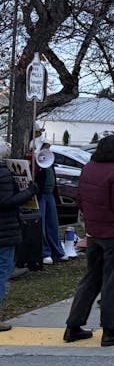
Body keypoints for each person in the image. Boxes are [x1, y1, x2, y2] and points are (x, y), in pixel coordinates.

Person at [64, 135, 114, 346]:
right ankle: (110, 330)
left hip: (94, 233)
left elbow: (80, 198)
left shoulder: (89, 169)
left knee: (91, 279)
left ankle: (73, 326)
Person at [0, 142, 38, 332]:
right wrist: (28, 193)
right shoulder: (3, 174)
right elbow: (6, 202)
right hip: (4, 232)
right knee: (1, 273)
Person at [33, 142, 66, 265]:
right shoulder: (37, 163)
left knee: (52, 223)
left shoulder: (49, 162)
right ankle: (45, 252)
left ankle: (57, 251)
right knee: (41, 225)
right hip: (41, 195)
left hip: (49, 194)